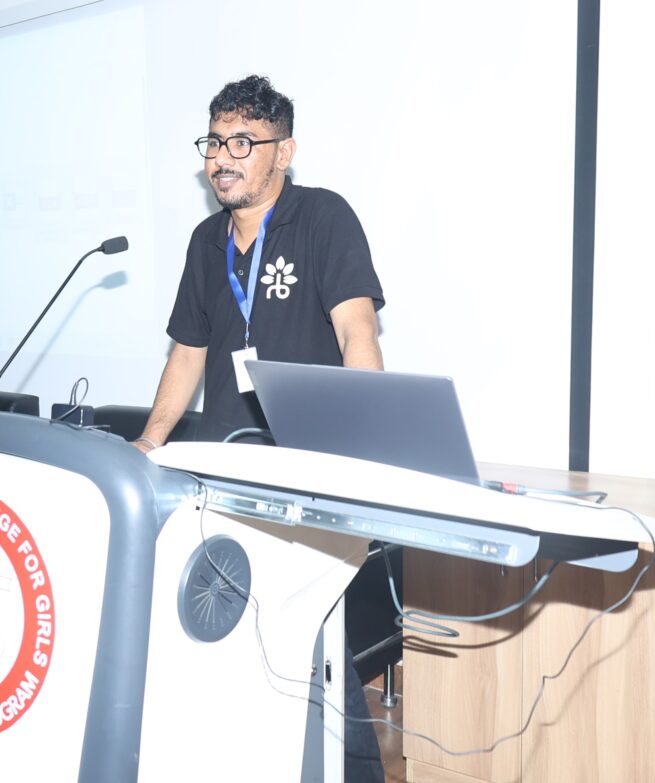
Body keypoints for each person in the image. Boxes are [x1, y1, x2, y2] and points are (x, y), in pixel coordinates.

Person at [134, 74, 386, 781]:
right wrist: (152, 441)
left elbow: (357, 331)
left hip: (306, 474)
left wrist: (360, 451)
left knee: (301, 637)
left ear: (285, 151)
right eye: (215, 141)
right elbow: (187, 352)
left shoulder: (323, 219)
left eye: (243, 141)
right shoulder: (203, 241)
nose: (224, 156)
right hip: (220, 474)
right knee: (230, 640)